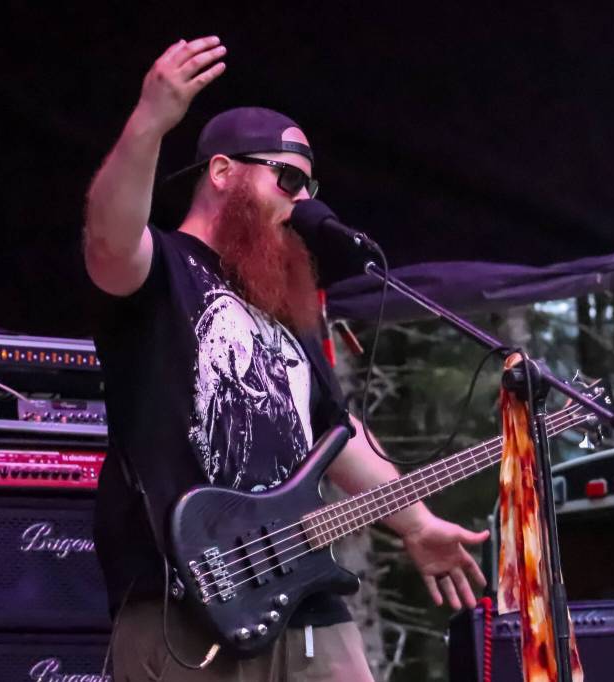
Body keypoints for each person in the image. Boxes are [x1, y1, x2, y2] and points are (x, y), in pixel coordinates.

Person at [84, 36, 489, 681]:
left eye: (310, 185)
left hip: (303, 601)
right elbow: (108, 238)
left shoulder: (280, 302)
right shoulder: (164, 271)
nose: (302, 200)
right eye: (288, 178)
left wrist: (416, 523)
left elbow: (333, 433)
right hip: (184, 601)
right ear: (222, 173)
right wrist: (149, 122)